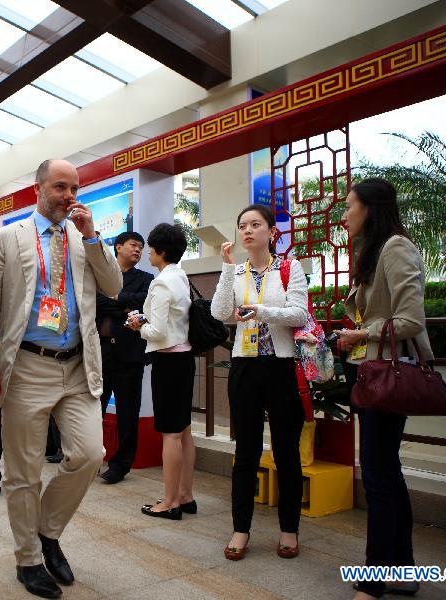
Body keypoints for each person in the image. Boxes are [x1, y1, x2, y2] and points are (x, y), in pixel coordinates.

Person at [0, 158, 122, 599]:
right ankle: (28, 559)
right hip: (27, 366)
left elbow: (113, 286)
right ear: (38, 188)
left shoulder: (84, 239)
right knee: (23, 471)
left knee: (90, 453)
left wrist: (94, 237)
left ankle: (47, 531)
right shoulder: (8, 238)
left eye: (74, 188)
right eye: (60, 187)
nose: (69, 196)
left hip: (77, 366)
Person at [336, 178, 431, 600]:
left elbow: (411, 320)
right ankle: (404, 571)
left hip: (388, 374)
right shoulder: (373, 251)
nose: (343, 215)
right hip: (374, 371)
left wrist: (360, 334)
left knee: (376, 474)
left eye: (349, 206)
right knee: (386, 472)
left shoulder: (396, 247)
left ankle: (374, 581)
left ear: (370, 208)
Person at [210, 204, 309, 561]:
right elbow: (220, 313)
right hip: (245, 366)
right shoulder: (235, 271)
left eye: (255, 224)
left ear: (271, 231)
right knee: (246, 451)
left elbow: (299, 313)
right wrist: (224, 267)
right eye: (242, 226)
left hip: (281, 367)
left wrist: (262, 311)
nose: (248, 230)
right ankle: (240, 529)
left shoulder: (288, 267)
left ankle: (289, 529)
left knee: (286, 451)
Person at [124, 224, 195, 518]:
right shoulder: (180, 276)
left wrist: (137, 326)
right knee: (184, 431)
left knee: (170, 434)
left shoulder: (162, 282)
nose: (147, 252)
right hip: (185, 358)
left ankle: (169, 502)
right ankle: (185, 495)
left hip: (168, 361)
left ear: (161, 251)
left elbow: (159, 330)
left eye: (151, 247)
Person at [96, 231, 153, 484]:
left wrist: (116, 300)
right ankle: (89, 458)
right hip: (100, 351)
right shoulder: (102, 275)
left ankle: (121, 465)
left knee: (128, 412)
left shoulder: (146, 279)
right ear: (118, 247)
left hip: (129, 354)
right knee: (92, 408)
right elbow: (95, 302)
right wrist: (124, 305)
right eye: (133, 245)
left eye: (142, 247)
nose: (138, 250)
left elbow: (144, 303)